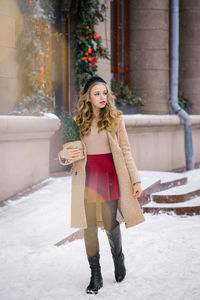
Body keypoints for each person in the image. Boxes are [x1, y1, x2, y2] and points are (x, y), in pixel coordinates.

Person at [58, 76, 145, 295]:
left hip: (110, 176)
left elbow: (125, 151)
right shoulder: (79, 121)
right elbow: (69, 152)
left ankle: (118, 258)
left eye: (104, 93)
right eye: (97, 93)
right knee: (88, 227)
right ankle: (95, 274)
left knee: (110, 224)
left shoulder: (116, 118)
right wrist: (63, 155)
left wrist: (136, 180)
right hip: (86, 178)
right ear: (88, 97)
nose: (102, 97)